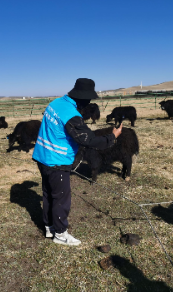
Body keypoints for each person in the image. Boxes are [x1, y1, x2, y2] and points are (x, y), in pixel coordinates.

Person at [32, 78, 123, 246]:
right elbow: (87, 139)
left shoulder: (56, 103)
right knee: (61, 198)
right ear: (84, 98)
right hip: (56, 161)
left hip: (42, 156)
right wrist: (112, 137)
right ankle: (60, 234)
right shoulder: (71, 114)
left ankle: (49, 226)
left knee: (48, 194)